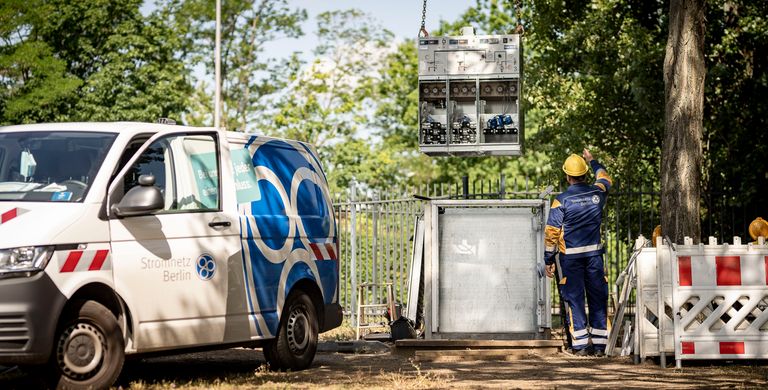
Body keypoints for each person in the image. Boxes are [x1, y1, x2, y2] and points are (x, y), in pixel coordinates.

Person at [544, 149, 612, 357]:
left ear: (567, 175)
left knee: (575, 299)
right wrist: (592, 161)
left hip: (570, 259)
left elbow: (551, 233)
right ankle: (600, 346)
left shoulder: (561, 201)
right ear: (584, 174)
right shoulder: (597, 192)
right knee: (598, 298)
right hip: (594, 257)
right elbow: (605, 178)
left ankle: (581, 346)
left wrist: (548, 259)